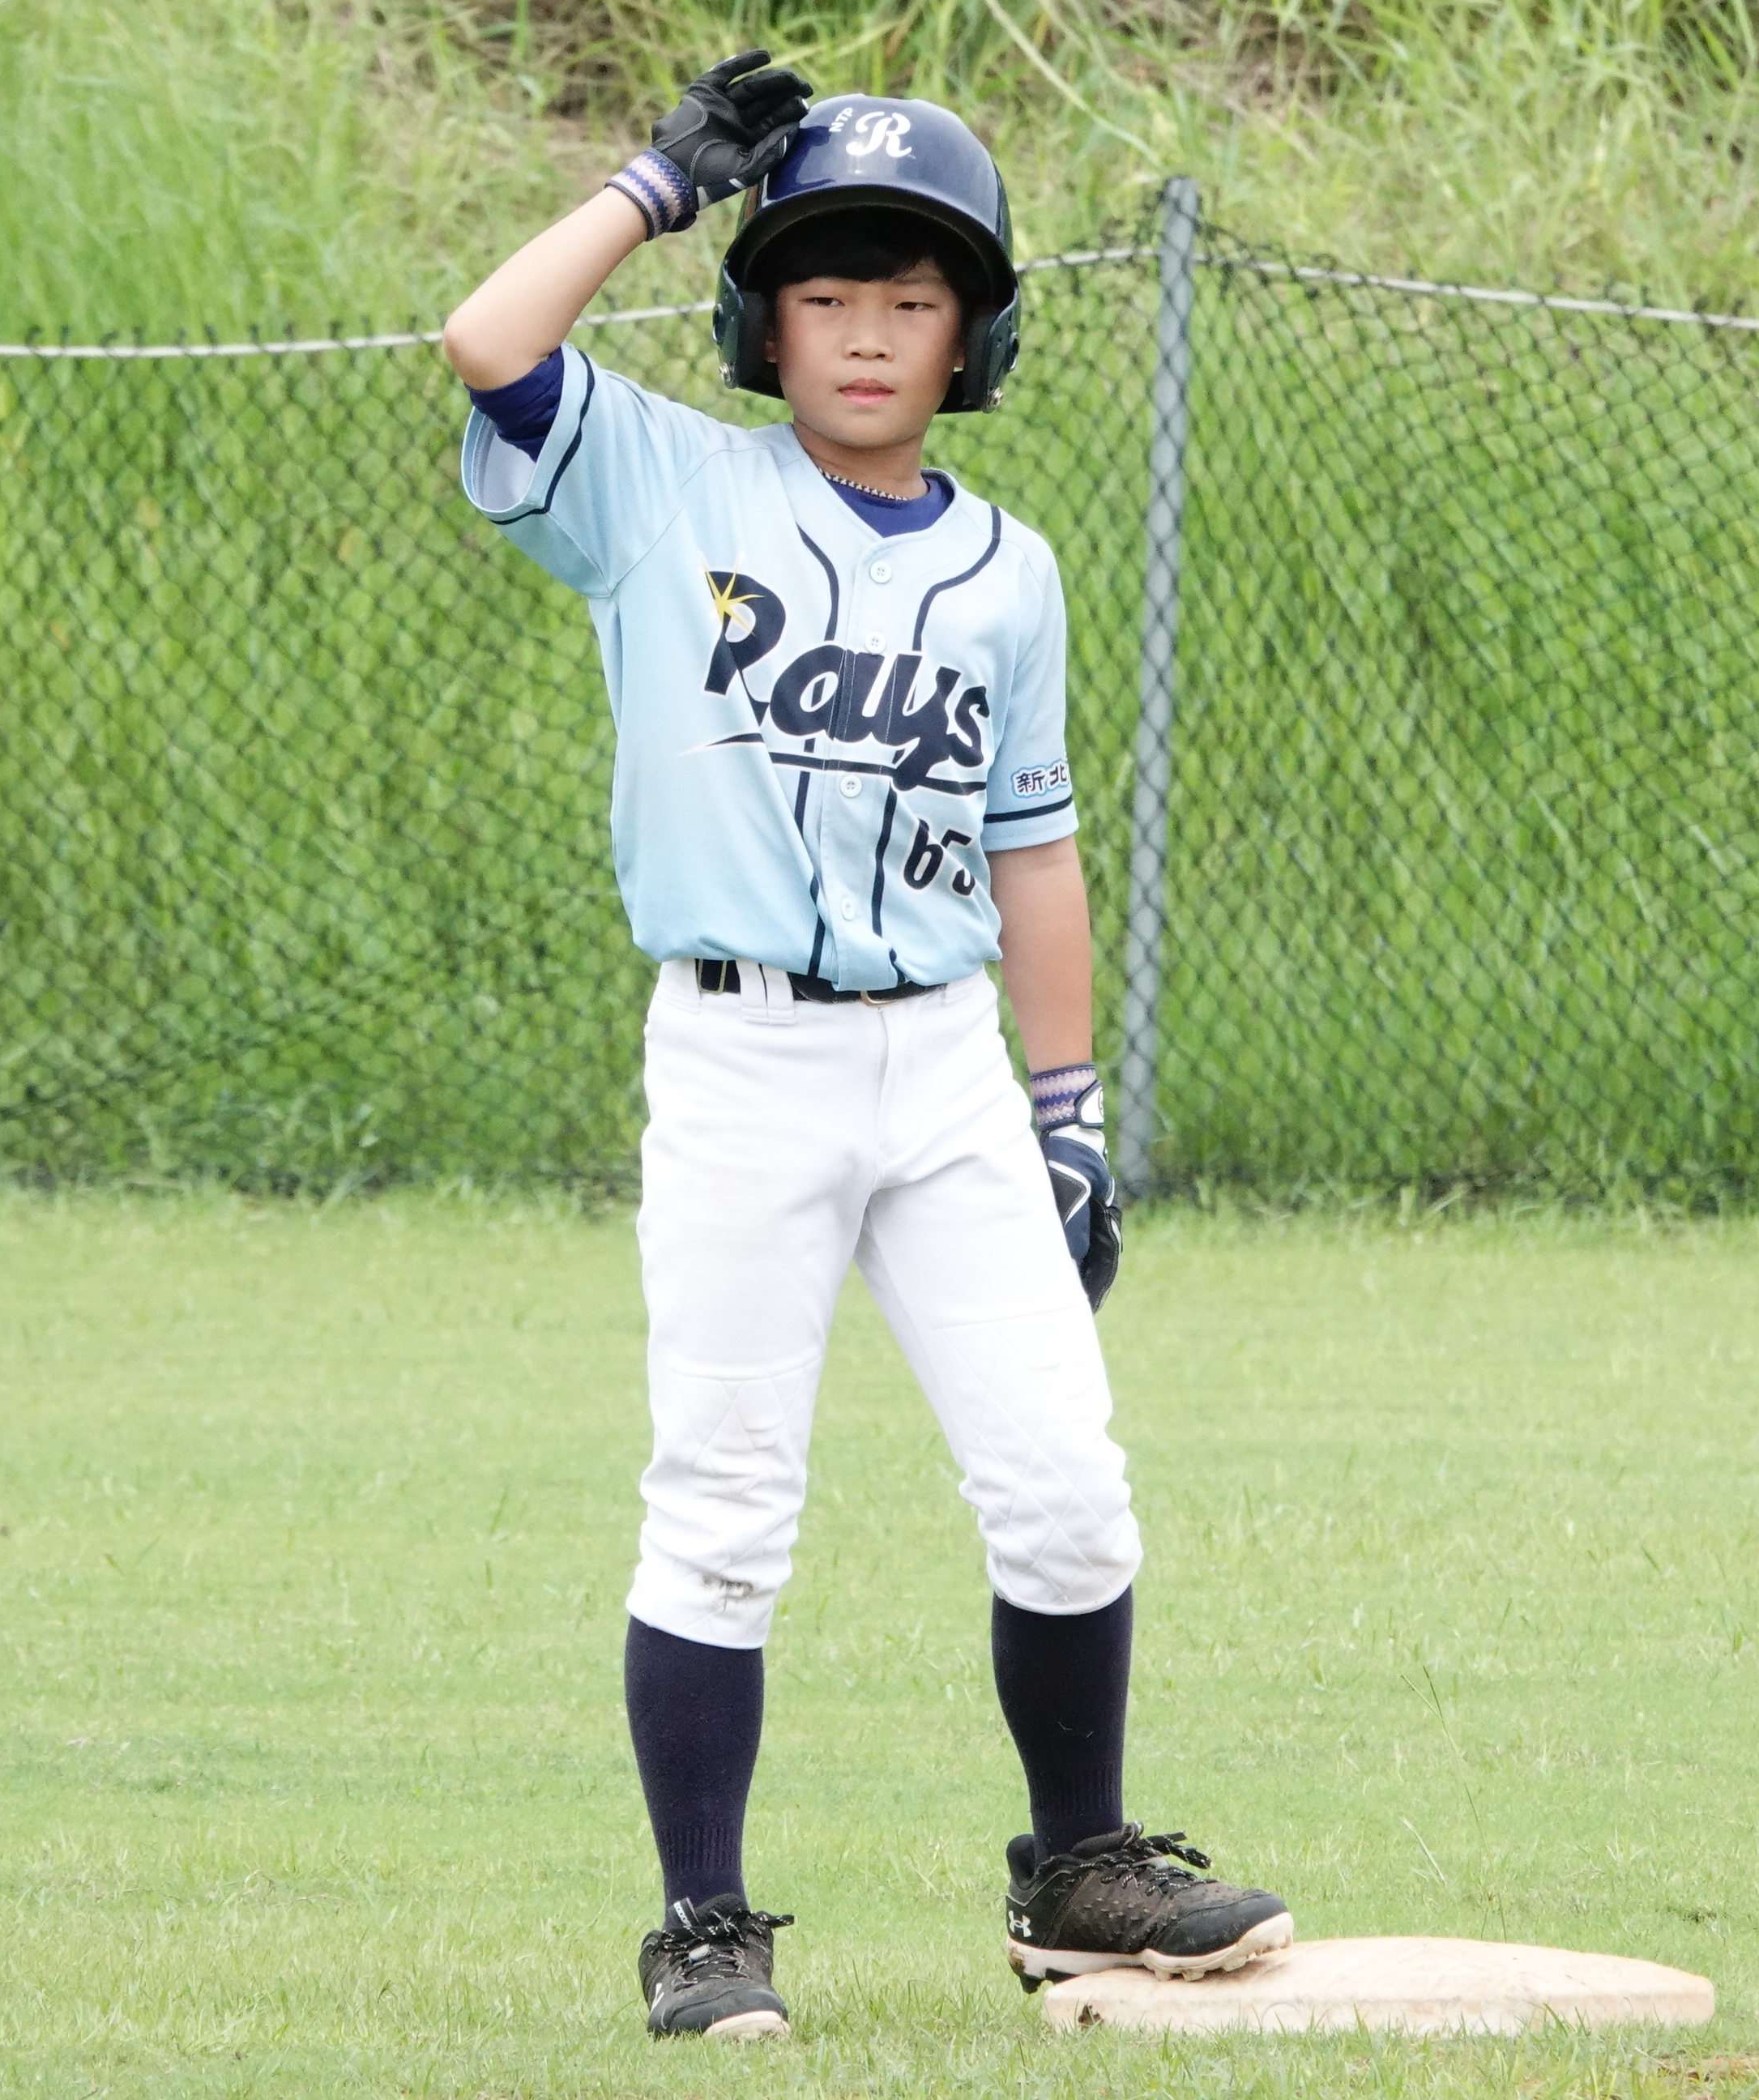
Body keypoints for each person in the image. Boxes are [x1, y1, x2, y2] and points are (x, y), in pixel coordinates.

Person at [438, 53, 1293, 2042]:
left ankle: (1077, 1871)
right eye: (824, 292)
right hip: (743, 1060)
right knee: (724, 1503)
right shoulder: (662, 488)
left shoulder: (1013, 570)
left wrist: (1069, 1114)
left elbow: (1035, 852)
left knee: (1067, 1487)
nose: (868, 331)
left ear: (971, 335)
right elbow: (487, 343)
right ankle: (703, 1923)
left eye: (913, 296)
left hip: (947, 1067)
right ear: (764, 323)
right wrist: (657, 185)